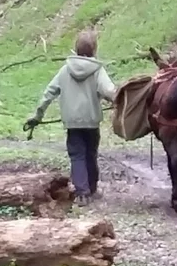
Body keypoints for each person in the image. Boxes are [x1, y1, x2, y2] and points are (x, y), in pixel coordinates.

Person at [25, 30, 115, 201]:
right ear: (94, 49)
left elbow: (49, 93)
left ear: (76, 48)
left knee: (77, 156)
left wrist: (38, 115)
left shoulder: (65, 70)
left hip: (72, 123)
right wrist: (119, 101)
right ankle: (92, 188)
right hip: (91, 121)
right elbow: (109, 91)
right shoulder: (97, 70)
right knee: (91, 154)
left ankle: (82, 193)